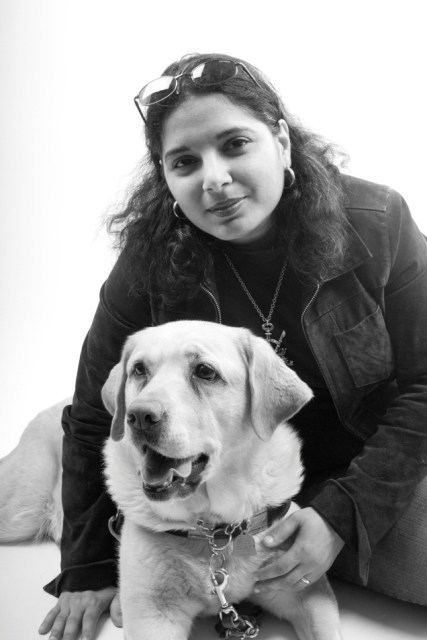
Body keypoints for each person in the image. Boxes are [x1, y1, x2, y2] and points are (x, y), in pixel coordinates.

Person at [38, 52, 427, 640]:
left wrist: (342, 514)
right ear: (164, 177)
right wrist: (87, 562)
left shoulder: (377, 221)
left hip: (369, 469)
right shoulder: (148, 266)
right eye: (185, 162)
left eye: (235, 144)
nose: (212, 178)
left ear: (282, 141)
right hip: (226, 490)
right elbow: (94, 412)